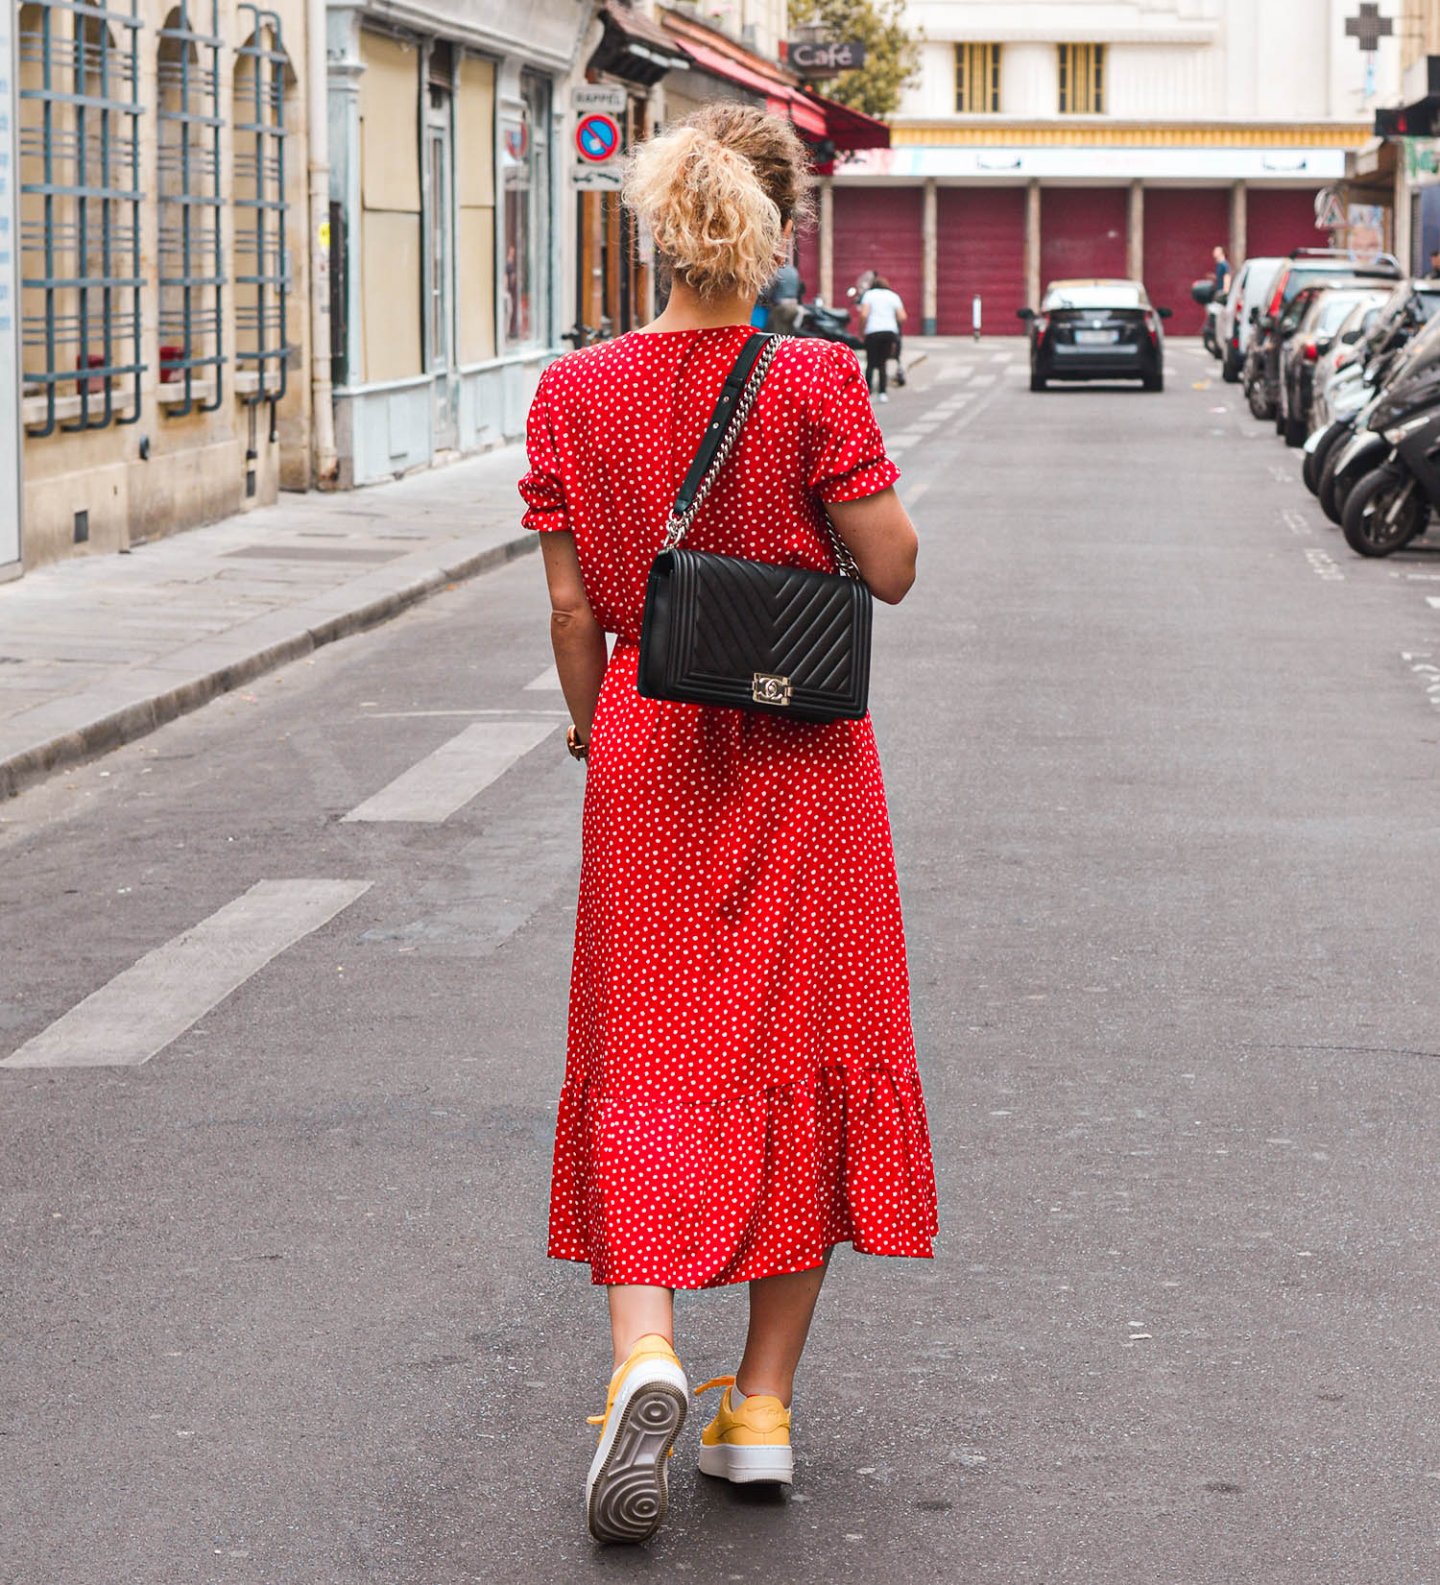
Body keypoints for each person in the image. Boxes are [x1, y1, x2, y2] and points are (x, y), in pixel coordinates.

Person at [518, 103, 937, 1547]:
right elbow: (889, 569)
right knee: (803, 1051)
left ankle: (644, 1347)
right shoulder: (816, 376)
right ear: (775, 233)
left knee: (644, 1052)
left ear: (654, 227)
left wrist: (592, 724)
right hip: (802, 758)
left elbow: (575, 609)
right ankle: (755, 1409)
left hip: (648, 749)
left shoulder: (573, 393)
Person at [858, 273, 906, 401]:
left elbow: (863, 315)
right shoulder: (893, 296)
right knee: (882, 363)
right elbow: (902, 317)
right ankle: (882, 392)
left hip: (872, 331)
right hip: (889, 332)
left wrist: (861, 331)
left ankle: (866, 393)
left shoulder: (869, 295)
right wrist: (892, 323)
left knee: (870, 362)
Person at [765, 256, 804, 335]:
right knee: (789, 333)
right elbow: (800, 288)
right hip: (794, 306)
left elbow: (770, 289)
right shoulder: (793, 271)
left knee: (777, 334)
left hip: (781, 308)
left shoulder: (776, 271)